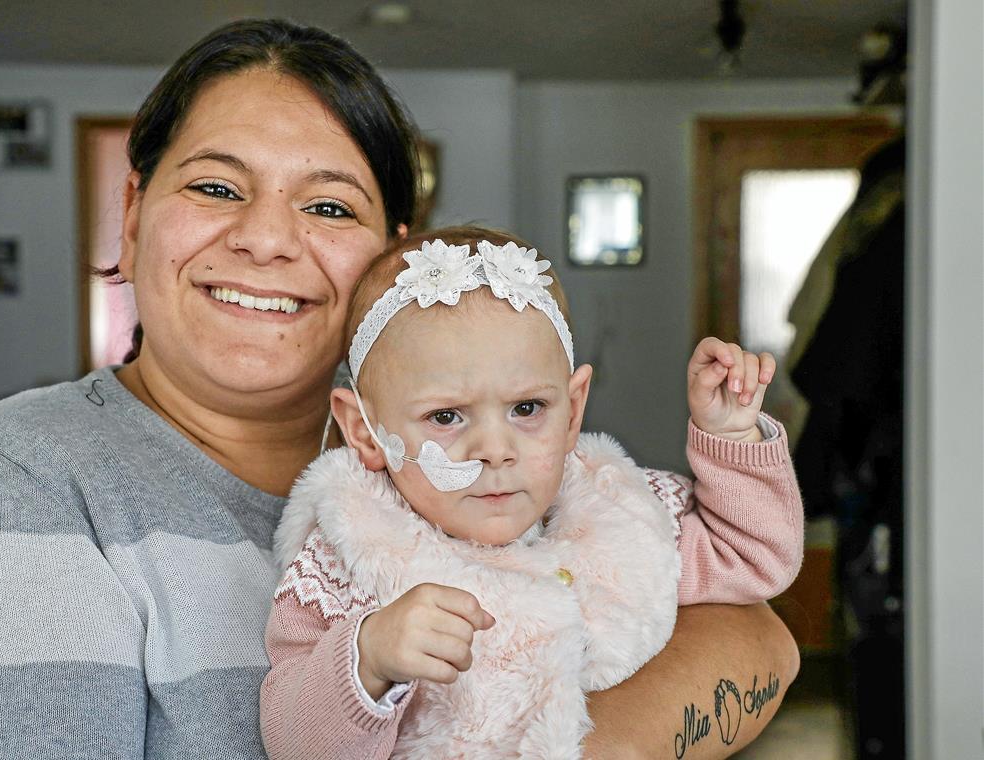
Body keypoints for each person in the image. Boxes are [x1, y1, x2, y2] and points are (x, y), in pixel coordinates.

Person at [0, 19, 799, 760]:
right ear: (134, 212)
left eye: (330, 205)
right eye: (217, 188)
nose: (265, 239)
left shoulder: (472, 478)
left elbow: (760, 640)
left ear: (393, 254)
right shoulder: (15, 481)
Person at [260, 229, 804, 758]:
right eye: (446, 416)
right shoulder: (348, 555)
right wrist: (368, 658)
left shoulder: (619, 510)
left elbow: (754, 561)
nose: (495, 449)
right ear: (364, 431)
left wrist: (732, 439)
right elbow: (291, 741)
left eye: (527, 409)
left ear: (574, 408)